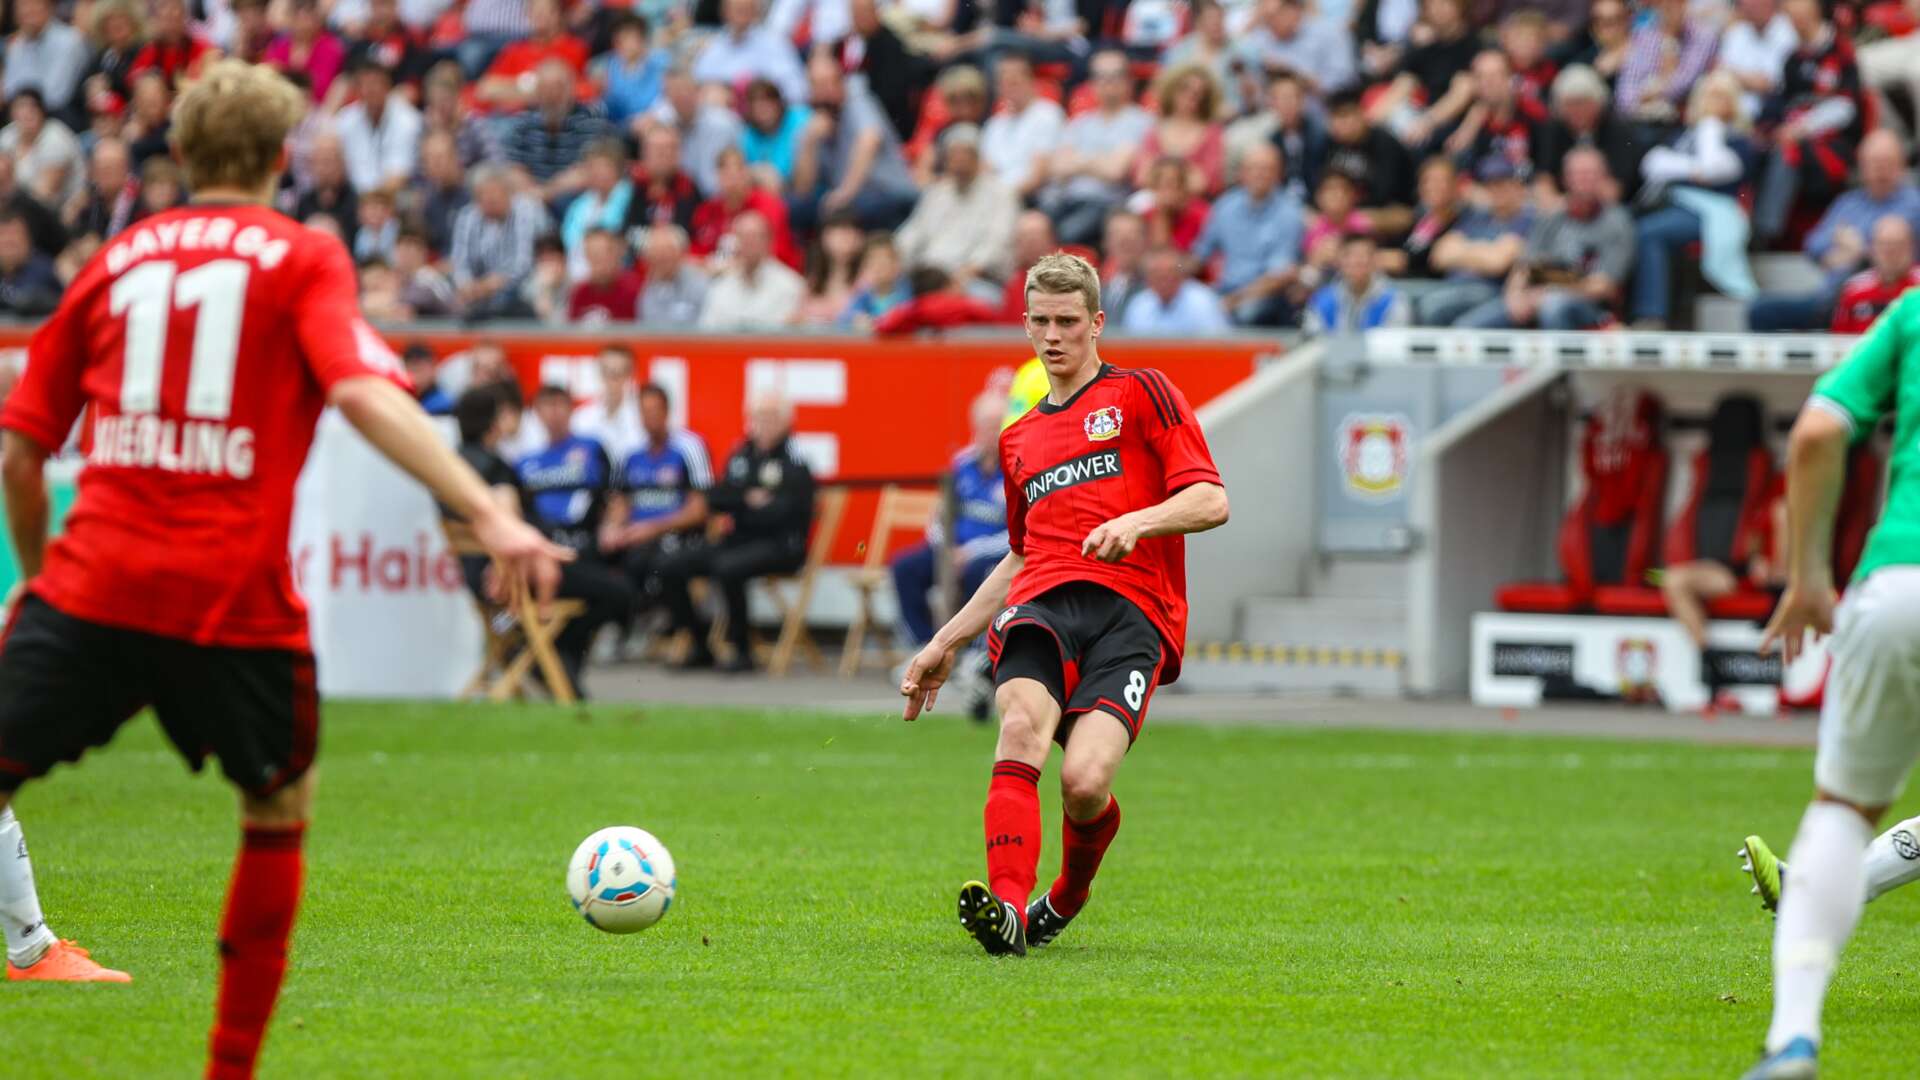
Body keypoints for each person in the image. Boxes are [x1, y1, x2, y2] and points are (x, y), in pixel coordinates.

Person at [0, 59, 565, 1073]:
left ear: (181, 152)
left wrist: (43, 582)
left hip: (94, 585)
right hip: (233, 599)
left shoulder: (115, 259)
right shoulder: (301, 255)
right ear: (278, 157)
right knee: (274, 810)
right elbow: (362, 392)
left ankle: (32, 941)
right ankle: (230, 1065)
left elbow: (19, 455)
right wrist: (489, 510)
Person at [900, 252, 1229, 956]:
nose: (1054, 336)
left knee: (1084, 782)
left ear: (1097, 322)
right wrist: (944, 641)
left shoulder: (1143, 393)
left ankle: (1067, 895)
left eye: (1068, 322)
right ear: (1025, 324)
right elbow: (1019, 556)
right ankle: (1008, 910)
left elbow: (1210, 499)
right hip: (1042, 604)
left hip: (1132, 613)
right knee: (1019, 727)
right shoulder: (1018, 440)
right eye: (1041, 321)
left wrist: (1138, 522)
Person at [1732, 289, 1920, 1080]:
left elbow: (1815, 432)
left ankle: (1793, 1041)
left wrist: (1808, 574)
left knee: (1841, 809)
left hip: (1900, 582)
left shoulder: (1911, 312)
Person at [655, 389, 817, 673]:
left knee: (728, 567)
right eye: (758, 417)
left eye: (771, 417)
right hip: (739, 539)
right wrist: (747, 498)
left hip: (781, 545)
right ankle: (699, 643)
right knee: (669, 564)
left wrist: (742, 502)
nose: (763, 424)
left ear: (787, 422)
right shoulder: (742, 454)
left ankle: (742, 650)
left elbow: (783, 512)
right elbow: (715, 497)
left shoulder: (795, 460)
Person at [890, 390, 1008, 714]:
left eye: (997, 425)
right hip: (951, 551)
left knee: (982, 574)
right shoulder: (962, 464)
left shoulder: (1015, 466)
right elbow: (938, 520)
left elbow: (1018, 533)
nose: (990, 433)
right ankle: (924, 647)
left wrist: (971, 551)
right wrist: (946, 549)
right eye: (985, 425)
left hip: (991, 553)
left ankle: (972, 654)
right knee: (905, 567)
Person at [514, 385, 635, 697]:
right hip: (546, 557)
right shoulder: (526, 462)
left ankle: (553, 657)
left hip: (586, 548)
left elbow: (618, 496)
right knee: (609, 592)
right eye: (547, 405)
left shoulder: (593, 448)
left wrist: (613, 524)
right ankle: (559, 669)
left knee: (620, 593)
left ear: (571, 410)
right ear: (536, 413)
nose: (554, 413)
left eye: (560, 405)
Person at [1456, 147, 1634, 330]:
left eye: (1589, 174)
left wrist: (1549, 292)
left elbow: (1606, 286)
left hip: (1590, 307)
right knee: (1468, 326)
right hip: (1537, 295)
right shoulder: (1552, 216)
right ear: (1565, 178)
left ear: (1603, 178)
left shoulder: (1617, 221)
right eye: (1578, 174)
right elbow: (1525, 265)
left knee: (1553, 306)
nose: (1583, 180)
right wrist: (1515, 295)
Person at [598, 382, 713, 642]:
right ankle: (621, 625)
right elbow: (620, 501)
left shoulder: (689, 447)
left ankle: (670, 626)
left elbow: (699, 509)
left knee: (651, 562)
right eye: (644, 412)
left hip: (678, 534)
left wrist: (653, 528)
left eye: (655, 411)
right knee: (599, 552)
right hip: (636, 535)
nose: (649, 418)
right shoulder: (629, 452)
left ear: (667, 412)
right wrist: (612, 528)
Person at [895, 123, 1017, 286]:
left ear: (977, 157)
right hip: (929, 275)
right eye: (953, 155)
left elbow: (998, 241)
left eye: (965, 154)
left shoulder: (1001, 193)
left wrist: (970, 270)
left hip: (975, 278)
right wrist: (895, 256)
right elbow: (913, 231)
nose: (959, 160)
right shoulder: (936, 192)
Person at [698, 211, 806, 329]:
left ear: (769, 241)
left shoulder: (790, 285)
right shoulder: (720, 286)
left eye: (755, 236)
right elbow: (708, 329)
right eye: (742, 237)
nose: (748, 243)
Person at [1303, 232, 1411, 333]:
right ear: (1339, 261)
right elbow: (1314, 339)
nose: (1357, 261)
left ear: (1375, 260)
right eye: (1350, 255)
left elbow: (1394, 340)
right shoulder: (1321, 301)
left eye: (1364, 255)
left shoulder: (1394, 300)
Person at [1830, 216, 1920, 334]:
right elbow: (1838, 339)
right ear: (1872, 248)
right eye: (1884, 245)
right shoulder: (1854, 291)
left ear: (1912, 247)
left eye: (1898, 245)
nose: (1891, 253)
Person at [1120, 245, 1230, 335]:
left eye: (1170, 274)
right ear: (1148, 280)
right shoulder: (1139, 306)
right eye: (1158, 275)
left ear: (1181, 276)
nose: (1164, 281)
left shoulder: (1202, 302)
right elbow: (1129, 348)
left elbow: (1218, 347)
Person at [638, 223, 709, 327]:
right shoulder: (647, 289)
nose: (660, 258)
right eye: (654, 253)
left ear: (681, 253)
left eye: (666, 252)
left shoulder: (699, 284)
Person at [404, 343, 452, 414]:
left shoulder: (443, 405)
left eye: (420, 369)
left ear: (433, 368)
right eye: (412, 369)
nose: (417, 376)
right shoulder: (402, 397)